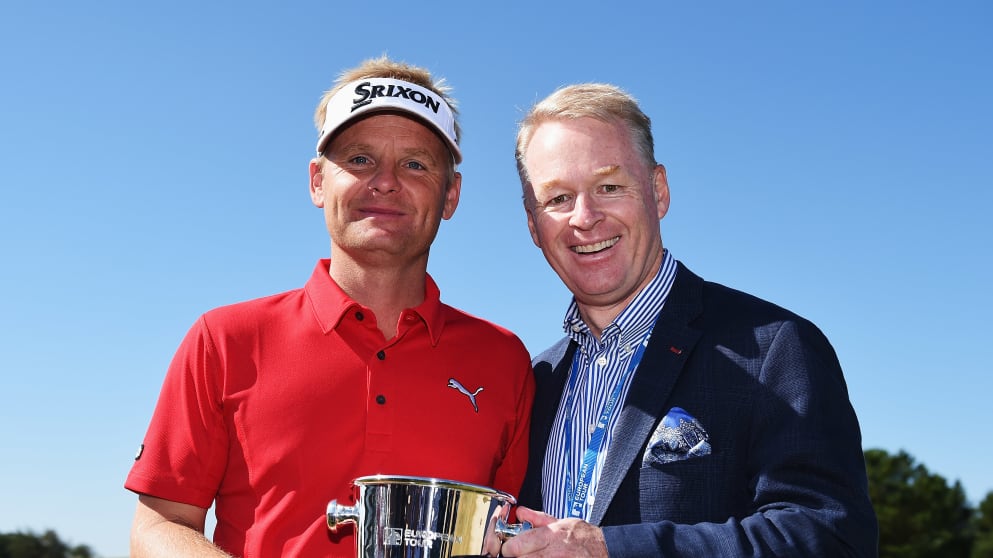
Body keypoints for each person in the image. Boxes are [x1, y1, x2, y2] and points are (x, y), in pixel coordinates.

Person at [125, 56, 534, 558]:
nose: (385, 181)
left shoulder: (505, 359)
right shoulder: (224, 339)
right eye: (360, 159)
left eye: (415, 164)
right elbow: (158, 525)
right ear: (318, 181)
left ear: (451, 195)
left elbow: (513, 533)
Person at [500, 83, 878, 557]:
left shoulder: (774, 349)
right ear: (533, 224)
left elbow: (829, 538)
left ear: (658, 192)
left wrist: (612, 550)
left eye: (609, 187)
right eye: (557, 198)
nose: (585, 217)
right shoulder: (533, 381)